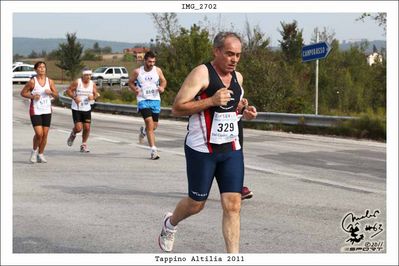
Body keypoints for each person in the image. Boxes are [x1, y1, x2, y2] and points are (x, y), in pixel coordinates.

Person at [159, 32, 257, 253]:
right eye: (230, 54)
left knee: (233, 205)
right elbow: (177, 108)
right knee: (196, 204)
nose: (234, 60)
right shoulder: (201, 74)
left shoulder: (238, 78)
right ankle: (170, 223)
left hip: (231, 148)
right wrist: (211, 100)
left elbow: (231, 107)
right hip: (202, 149)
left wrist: (243, 111)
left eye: (238, 55)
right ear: (217, 51)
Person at [129, 51, 167, 160]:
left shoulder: (157, 70)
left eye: (153, 62)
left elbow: (164, 81)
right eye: (150, 61)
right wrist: (134, 89)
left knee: (154, 126)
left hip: (155, 100)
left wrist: (162, 87)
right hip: (143, 100)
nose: (152, 64)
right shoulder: (137, 72)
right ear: (145, 60)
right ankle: (153, 151)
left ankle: (143, 132)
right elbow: (130, 82)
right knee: (150, 124)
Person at [20, 61, 58, 163]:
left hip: (47, 109)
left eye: (44, 67)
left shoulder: (50, 82)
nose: (42, 69)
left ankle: (40, 154)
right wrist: (32, 96)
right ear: (36, 69)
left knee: (45, 134)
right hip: (35, 110)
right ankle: (34, 152)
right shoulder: (33, 82)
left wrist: (51, 92)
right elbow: (23, 93)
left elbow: (56, 95)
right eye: (40, 67)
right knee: (39, 133)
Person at [66, 68, 98, 152]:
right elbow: (68, 90)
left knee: (87, 127)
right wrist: (74, 97)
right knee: (79, 128)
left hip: (87, 108)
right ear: (83, 75)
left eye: (90, 75)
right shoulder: (78, 82)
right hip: (76, 108)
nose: (88, 77)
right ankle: (73, 133)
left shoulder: (92, 84)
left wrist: (93, 97)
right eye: (86, 75)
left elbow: (96, 94)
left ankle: (83, 145)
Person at [237, 98, 254, 200]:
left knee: (237, 156)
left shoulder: (238, 81)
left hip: (235, 122)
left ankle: (238, 188)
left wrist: (244, 107)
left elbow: (236, 100)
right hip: (212, 122)